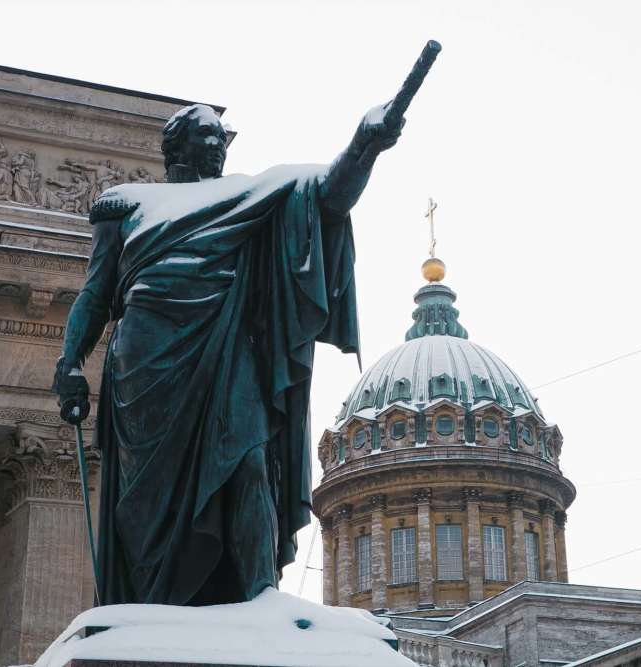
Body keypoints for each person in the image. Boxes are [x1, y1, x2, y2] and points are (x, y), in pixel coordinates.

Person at [52, 102, 402, 606]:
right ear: (176, 146)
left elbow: (326, 196)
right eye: (205, 136)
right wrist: (69, 362)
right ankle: (150, 603)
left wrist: (364, 147)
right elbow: (95, 294)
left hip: (227, 348)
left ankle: (260, 594)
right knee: (147, 501)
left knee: (250, 459)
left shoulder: (248, 194)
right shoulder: (125, 204)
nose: (217, 146)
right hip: (146, 362)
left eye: (221, 138)